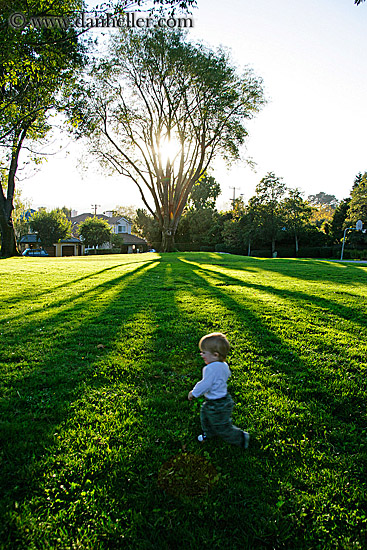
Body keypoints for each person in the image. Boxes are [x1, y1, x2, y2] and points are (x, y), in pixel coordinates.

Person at [188, 332, 249, 449]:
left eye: (204, 352)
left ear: (215, 355)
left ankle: (241, 437)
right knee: (205, 415)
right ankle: (209, 433)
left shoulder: (210, 369)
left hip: (217, 403)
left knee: (222, 426)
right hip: (223, 399)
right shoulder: (223, 365)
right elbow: (227, 375)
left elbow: (205, 385)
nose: (201, 355)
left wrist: (193, 393)